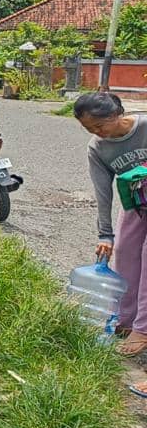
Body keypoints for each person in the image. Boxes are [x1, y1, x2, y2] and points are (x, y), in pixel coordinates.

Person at [73, 91, 147, 356]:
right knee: (126, 255)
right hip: (136, 203)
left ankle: (143, 329)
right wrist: (105, 235)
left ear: (117, 115)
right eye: (89, 128)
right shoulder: (98, 148)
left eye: (99, 125)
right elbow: (103, 192)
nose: (96, 132)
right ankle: (126, 320)